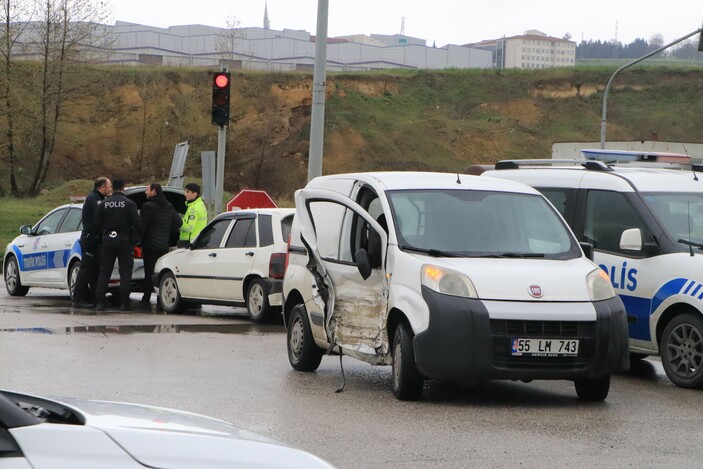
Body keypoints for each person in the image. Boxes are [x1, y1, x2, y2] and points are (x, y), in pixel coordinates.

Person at [93, 177, 141, 312]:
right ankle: (125, 303)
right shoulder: (130, 203)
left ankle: (100, 303)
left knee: (105, 271)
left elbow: (96, 224)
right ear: (123, 188)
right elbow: (137, 224)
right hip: (124, 240)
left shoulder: (104, 204)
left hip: (108, 240)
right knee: (125, 272)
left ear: (113, 188)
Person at [72, 177, 112, 309]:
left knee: (96, 272)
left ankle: (96, 299)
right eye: (109, 186)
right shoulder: (93, 198)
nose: (110, 189)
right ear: (103, 187)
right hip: (90, 239)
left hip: (98, 240)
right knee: (86, 270)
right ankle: (78, 299)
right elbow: (103, 212)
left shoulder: (101, 198)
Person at [139, 182, 182, 304]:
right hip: (163, 245)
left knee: (149, 272)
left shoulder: (147, 206)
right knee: (161, 272)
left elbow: (142, 227)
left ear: (154, 192)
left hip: (149, 245)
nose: (145, 192)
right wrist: (167, 235)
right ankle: (160, 299)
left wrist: (138, 241)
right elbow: (178, 223)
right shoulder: (169, 206)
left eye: (147, 189)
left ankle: (146, 298)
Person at [178, 182, 207, 248]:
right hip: (197, 240)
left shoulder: (194, 209)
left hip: (189, 243)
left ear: (195, 194)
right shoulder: (201, 205)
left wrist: (177, 222)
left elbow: (189, 227)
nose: (185, 194)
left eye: (188, 192)